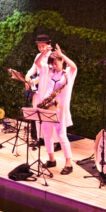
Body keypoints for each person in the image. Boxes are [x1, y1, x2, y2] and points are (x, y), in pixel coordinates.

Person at [35, 45, 78, 174]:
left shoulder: (68, 73)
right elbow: (37, 63)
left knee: (61, 135)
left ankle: (68, 163)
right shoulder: (51, 72)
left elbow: (74, 66)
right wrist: (44, 53)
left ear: (62, 61)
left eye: (55, 63)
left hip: (60, 109)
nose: (53, 66)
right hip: (48, 107)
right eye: (52, 64)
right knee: (47, 134)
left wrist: (62, 55)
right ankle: (51, 159)